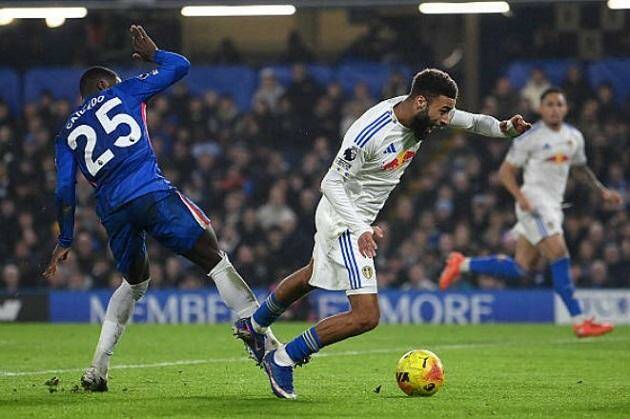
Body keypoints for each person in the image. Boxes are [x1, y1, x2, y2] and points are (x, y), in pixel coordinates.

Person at [233, 68, 531, 399]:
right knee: (366, 316)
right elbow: (330, 183)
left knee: (312, 275)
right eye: (444, 111)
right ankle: (284, 359)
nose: (446, 120)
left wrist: (505, 128)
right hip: (344, 219)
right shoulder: (370, 132)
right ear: (421, 102)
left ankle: (254, 324)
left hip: (357, 218)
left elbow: (474, 122)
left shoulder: (423, 115)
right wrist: (360, 227)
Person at [43, 25, 279, 392]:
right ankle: (262, 338)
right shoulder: (123, 91)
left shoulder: (65, 135)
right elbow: (180, 66)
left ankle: (97, 370)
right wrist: (153, 55)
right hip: (149, 191)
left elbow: (63, 190)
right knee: (214, 258)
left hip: (114, 211)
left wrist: (66, 238)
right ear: (103, 85)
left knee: (135, 283)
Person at [439, 87, 623, 338]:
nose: (555, 109)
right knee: (559, 253)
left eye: (559, 104)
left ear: (566, 108)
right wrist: (521, 198)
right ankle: (580, 320)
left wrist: (601, 192)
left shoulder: (574, 137)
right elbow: (505, 172)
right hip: (535, 203)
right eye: (550, 104)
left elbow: (580, 169)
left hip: (553, 206)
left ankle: (461, 264)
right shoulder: (530, 138)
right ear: (541, 109)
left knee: (522, 267)